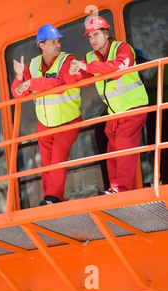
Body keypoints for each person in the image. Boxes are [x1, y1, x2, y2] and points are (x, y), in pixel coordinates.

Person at [67, 16, 149, 194]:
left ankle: (121, 189)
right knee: (112, 149)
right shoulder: (90, 57)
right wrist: (73, 72)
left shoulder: (123, 48)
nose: (93, 40)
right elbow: (82, 80)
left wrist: (87, 67)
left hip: (134, 107)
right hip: (115, 113)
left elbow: (119, 68)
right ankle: (115, 188)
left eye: (96, 34)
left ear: (106, 33)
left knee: (123, 144)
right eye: (89, 37)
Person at [11, 24, 82, 206]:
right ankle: (48, 197)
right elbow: (18, 93)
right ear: (41, 45)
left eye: (58, 41)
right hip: (45, 123)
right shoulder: (32, 65)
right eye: (53, 42)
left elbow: (58, 84)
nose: (58, 45)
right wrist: (20, 79)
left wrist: (30, 83)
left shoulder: (67, 60)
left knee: (58, 158)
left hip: (68, 120)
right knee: (46, 163)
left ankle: (53, 197)